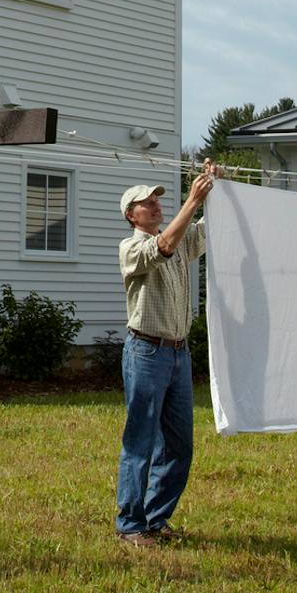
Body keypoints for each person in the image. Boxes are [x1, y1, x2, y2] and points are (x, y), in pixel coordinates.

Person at [114, 160, 218, 545]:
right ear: (131, 215)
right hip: (146, 352)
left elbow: (205, 230)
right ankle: (129, 525)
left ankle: (154, 520)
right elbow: (166, 245)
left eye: (158, 200)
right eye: (147, 203)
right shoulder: (132, 247)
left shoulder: (177, 236)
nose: (156, 205)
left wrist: (215, 187)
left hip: (178, 355)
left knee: (179, 445)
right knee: (140, 440)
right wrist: (192, 200)